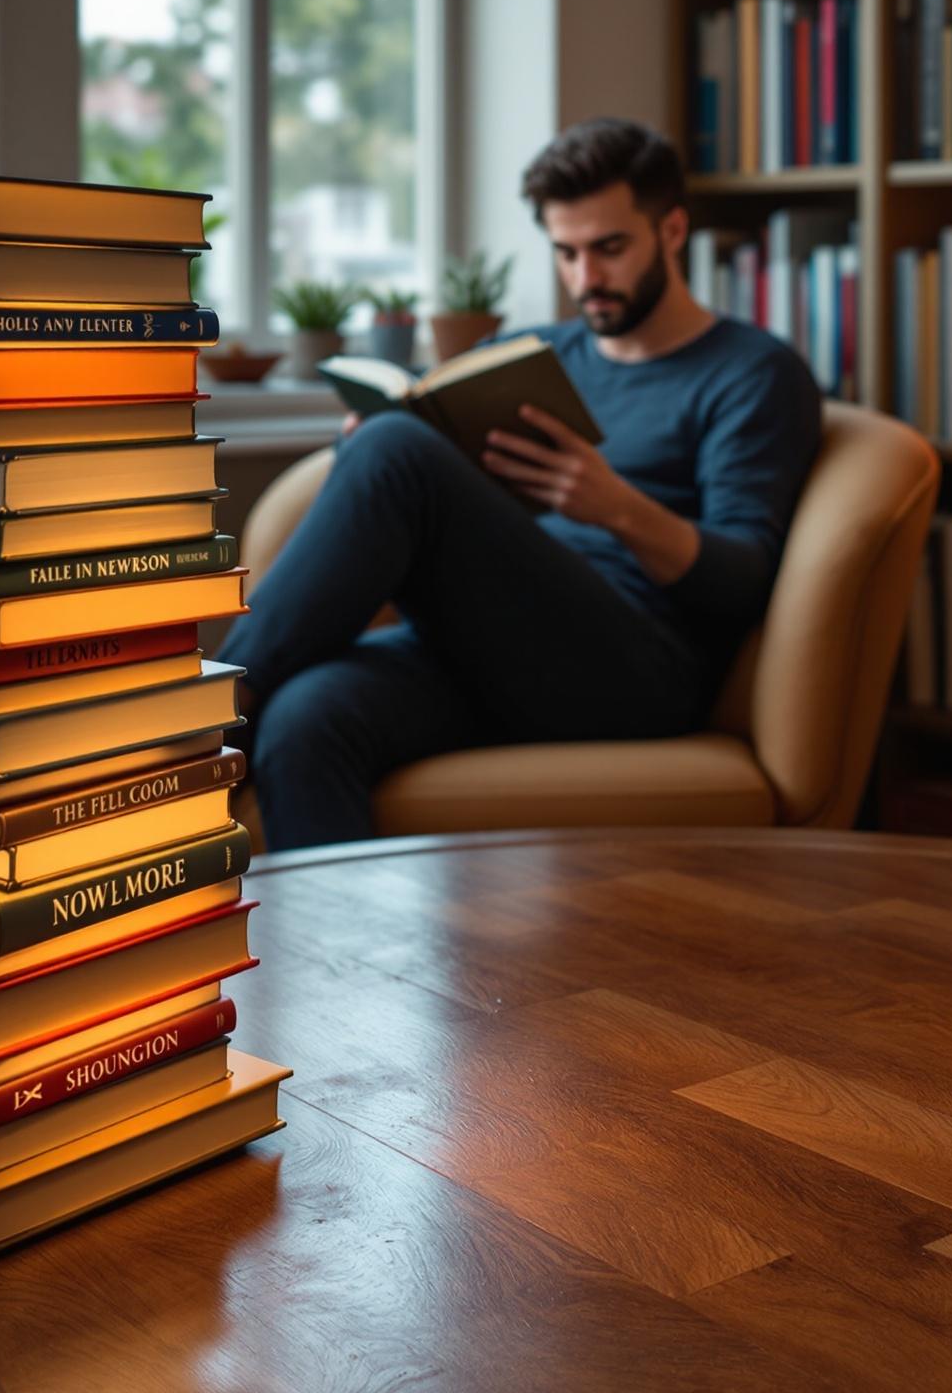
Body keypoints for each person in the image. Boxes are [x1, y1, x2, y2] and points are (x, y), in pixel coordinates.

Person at [223, 116, 822, 848]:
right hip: (492, 647)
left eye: (609, 249)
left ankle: (214, 705)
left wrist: (616, 509)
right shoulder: (531, 356)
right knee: (308, 718)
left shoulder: (752, 373)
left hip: (636, 671)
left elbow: (744, 581)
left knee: (397, 454)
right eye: (565, 252)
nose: (585, 279)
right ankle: (335, 963)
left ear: (671, 231)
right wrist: (365, 448)